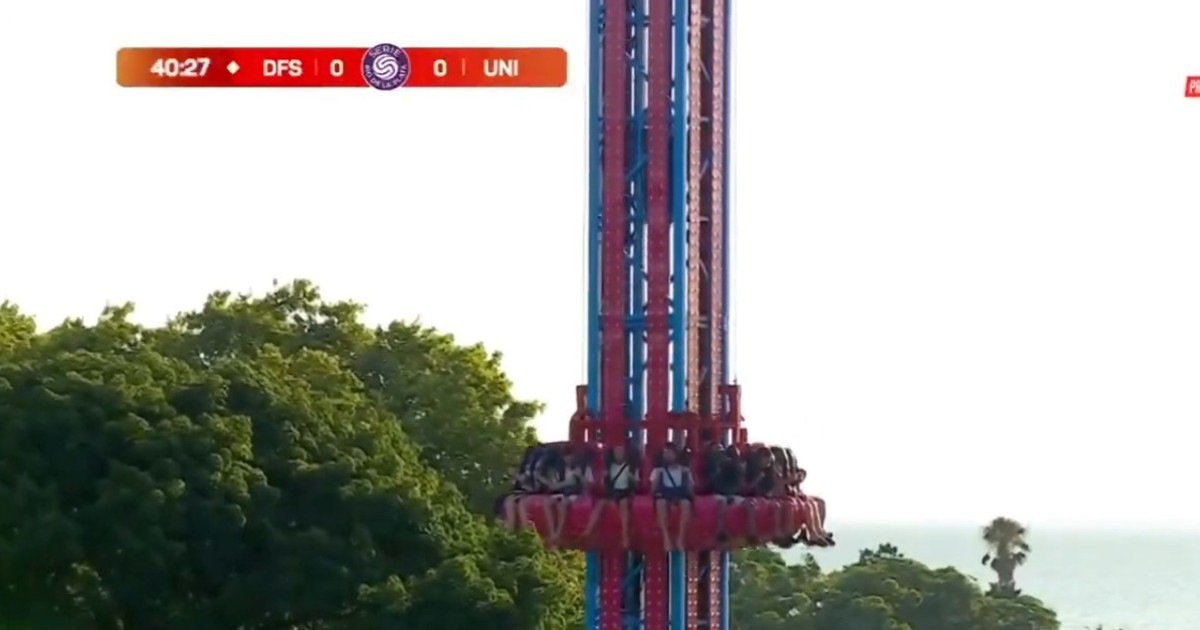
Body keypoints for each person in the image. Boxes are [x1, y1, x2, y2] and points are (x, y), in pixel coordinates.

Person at [582, 443, 637, 548]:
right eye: (617, 452)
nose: (619, 454)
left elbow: (636, 484)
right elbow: (604, 484)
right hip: (613, 492)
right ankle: (588, 530)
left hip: (625, 492)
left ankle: (624, 535)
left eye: (620, 452)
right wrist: (604, 478)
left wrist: (631, 478)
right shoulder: (609, 467)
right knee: (600, 503)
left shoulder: (630, 467)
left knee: (624, 504)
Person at [538, 447, 588, 548]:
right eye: (566, 457)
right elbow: (554, 486)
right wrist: (565, 484)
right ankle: (552, 531)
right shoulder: (560, 469)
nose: (568, 459)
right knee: (548, 503)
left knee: (563, 503)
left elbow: (585, 485)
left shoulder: (579, 468)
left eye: (570, 456)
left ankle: (558, 532)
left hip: (574, 494)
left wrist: (580, 477)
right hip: (562, 492)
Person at [651, 443, 694, 551]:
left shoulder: (684, 470)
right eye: (665, 453)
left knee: (686, 504)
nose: (667, 455)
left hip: (680, 493)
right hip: (665, 493)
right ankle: (666, 537)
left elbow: (691, 489)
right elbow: (653, 490)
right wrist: (657, 479)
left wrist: (687, 479)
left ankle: (680, 537)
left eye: (669, 453)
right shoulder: (658, 470)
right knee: (660, 503)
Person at [705, 443, 744, 547]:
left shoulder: (735, 467)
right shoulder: (713, 464)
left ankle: (743, 532)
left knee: (745, 504)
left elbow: (738, 484)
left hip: (730, 493)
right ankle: (721, 531)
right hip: (718, 493)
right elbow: (713, 483)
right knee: (722, 503)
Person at [742, 446, 778, 543]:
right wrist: (757, 479)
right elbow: (744, 489)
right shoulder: (747, 467)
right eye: (767, 461)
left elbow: (767, 492)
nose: (768, 464)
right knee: (751, 506)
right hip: (746, 497)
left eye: (770, 462)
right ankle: (752, 532)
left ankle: (772, 533)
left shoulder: (767, 474)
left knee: (775, 506)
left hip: (760, 498)